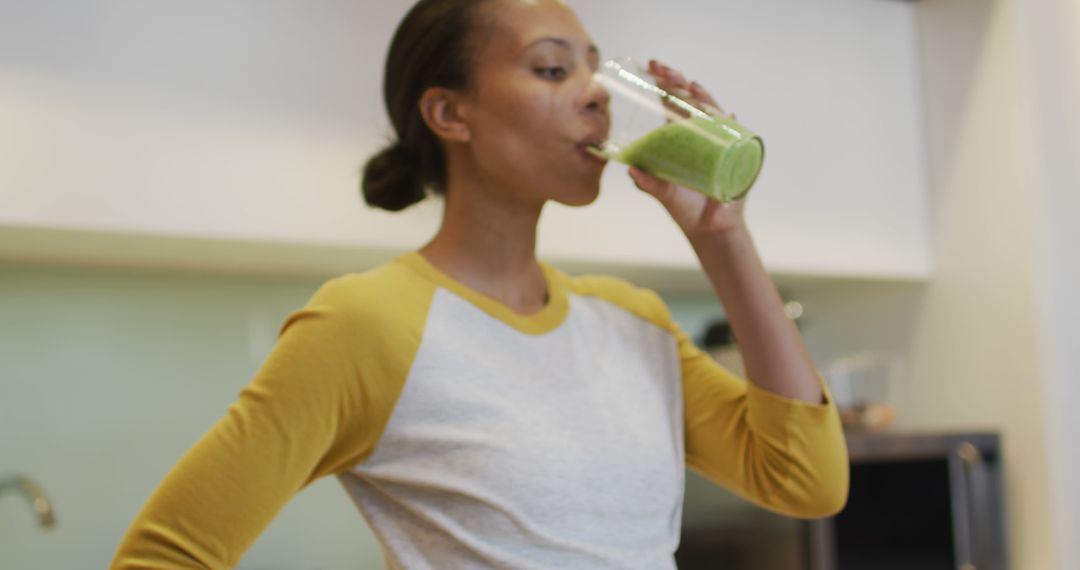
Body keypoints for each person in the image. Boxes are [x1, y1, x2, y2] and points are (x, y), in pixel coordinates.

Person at [111, 0, 848, 568]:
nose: (597, 95)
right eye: (553, 70)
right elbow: (167, 555)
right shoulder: (367, 324)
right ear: (449, 113)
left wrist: (721, 237)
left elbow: (806, 483)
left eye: (595, 70)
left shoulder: (631, 321)